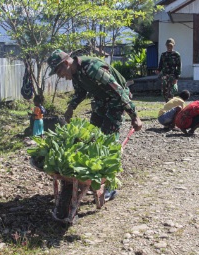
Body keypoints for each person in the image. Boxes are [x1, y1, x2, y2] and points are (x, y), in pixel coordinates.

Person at [47, 49, 143, 201]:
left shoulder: (92, 68)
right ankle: (95, 180)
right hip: (100, 102)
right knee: (93, 139)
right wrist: (71, 108)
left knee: (108, 143)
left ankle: (110, 186)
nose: (60, 76)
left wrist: (134, 116)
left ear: (66, 63)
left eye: (59, 71)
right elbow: (80, 93)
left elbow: (118, 91)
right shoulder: (76, 73)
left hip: (115, 102)